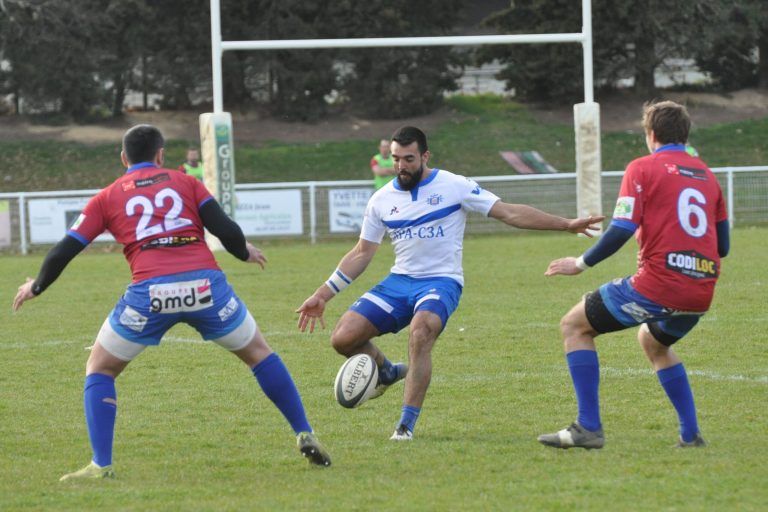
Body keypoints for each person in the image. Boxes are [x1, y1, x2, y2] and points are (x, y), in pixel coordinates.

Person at [13, 124, 331, 480]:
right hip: (205, 287)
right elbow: (225, 229)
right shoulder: (185, 182)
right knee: (260, 354)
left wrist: (36, 287)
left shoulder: (106, 197)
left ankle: (101, 465)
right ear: (161, 155)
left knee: (100, 369)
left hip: (149, 293)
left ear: (123, 158)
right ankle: (304, 431)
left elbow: (64, 251)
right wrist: (243, 253)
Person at [296, 126, 603, 441]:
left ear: (425, 156)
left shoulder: (454, 186)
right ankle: (386, 371)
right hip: (399, 281)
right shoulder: (381, 200)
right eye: (396, 159)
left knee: (421, 331)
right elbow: (362, 253)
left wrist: (565, 224)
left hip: (441, 282)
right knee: (343, 339)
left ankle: (405, 425)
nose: (401, 166)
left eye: (409, 159)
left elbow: (509, 213)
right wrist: (323, 294)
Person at [538, 101, 729, 450]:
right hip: (701, 290)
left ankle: (588, 427)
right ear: (684, 135)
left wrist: (580, 263)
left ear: (651, 135)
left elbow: (622, 227)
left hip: (659, 285)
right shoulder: (708, 176)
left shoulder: (642, 168)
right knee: (653, 342)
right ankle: (690, 435)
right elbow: (724, 246)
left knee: (573, 326)